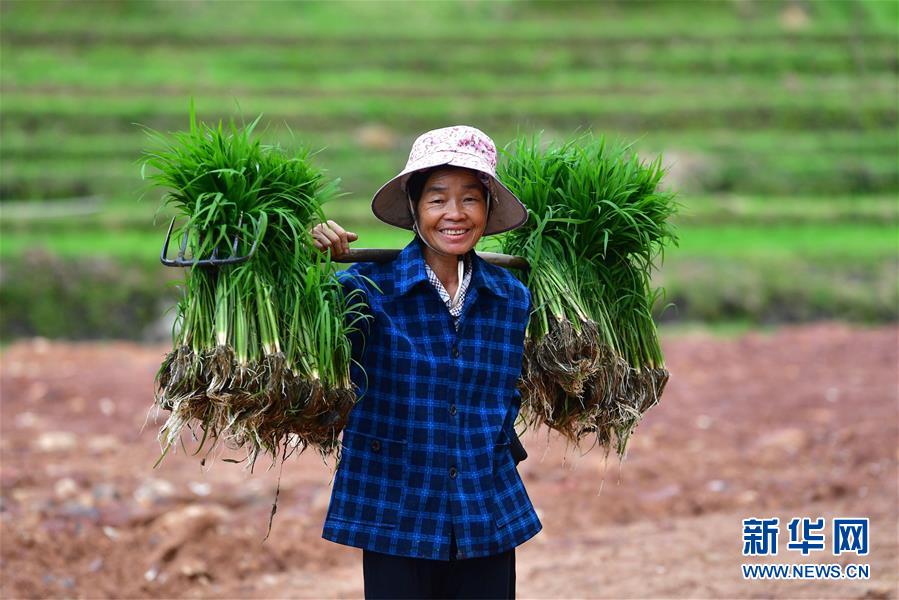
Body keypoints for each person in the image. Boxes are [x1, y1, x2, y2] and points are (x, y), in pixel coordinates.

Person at [310, 125, 541, 599]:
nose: (454, 214)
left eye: (470, 199)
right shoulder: (364, 289)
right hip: (397, 508)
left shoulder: (510, 299)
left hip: (484, 507)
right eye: (437, 199)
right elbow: (304, 344)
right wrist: (308, 266)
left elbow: (506, 397)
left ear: (488, 210)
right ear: (415, 208)